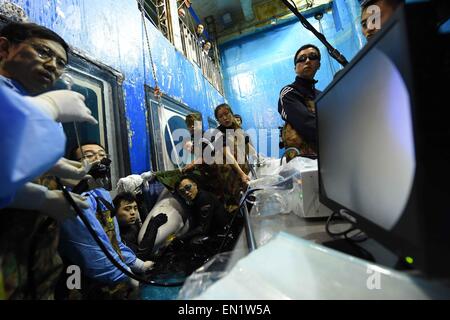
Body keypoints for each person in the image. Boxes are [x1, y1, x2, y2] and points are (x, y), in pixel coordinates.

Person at [0, 22, 96, 300]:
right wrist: (41, 198)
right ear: (4, 48)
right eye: (43, 52)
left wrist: (58, 166)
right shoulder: (29, 105)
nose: (53, 66)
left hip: (32, 247)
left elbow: (17, 153)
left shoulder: (25, 102)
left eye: (60, 63)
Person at [57, 142, 153, 299]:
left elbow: (113, 241)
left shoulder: (102, 195)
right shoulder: (72, 199)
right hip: (83, 282)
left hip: (113, 275)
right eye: (88, 156)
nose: (98, 159)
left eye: (102, 155)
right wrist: (126, 275)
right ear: (73, 165)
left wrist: (137, 264)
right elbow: (91, 252)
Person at [278, 44, 321, 162]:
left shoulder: (322, 95)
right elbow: (307, 123)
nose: (307, 61)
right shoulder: (288, 93)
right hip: (302, 163)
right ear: (295, 68)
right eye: (301, 58)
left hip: (326, 157)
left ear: (319, 65)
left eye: (313, 57)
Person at [113, 192, 168, 261]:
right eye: (127, 209)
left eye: (135, 208)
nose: (133, 212)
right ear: (115, 211)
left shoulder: (132, 225)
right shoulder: (115, 235)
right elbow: (140, 257)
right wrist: (154, 224)